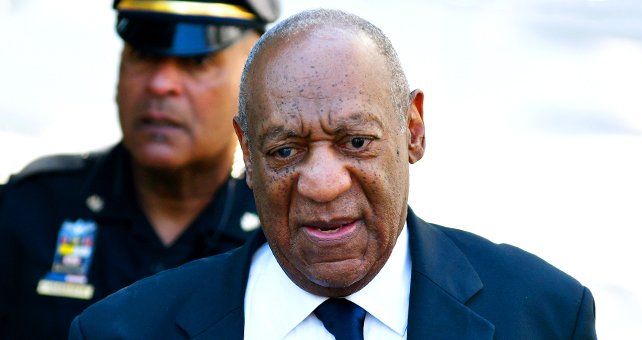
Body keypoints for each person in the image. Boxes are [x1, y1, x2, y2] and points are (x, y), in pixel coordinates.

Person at [69, 8, 597, 339]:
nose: (323, 183)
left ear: (412, 129)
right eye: (284, 151)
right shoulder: (125, 329)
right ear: (247, 154)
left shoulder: (545, 314)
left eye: (357, 142)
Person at [0, 0, 279, 338]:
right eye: (144, 55)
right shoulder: (30, 211)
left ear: (253, 78)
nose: (161, 84)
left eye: (197, 62)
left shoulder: (280, 234)